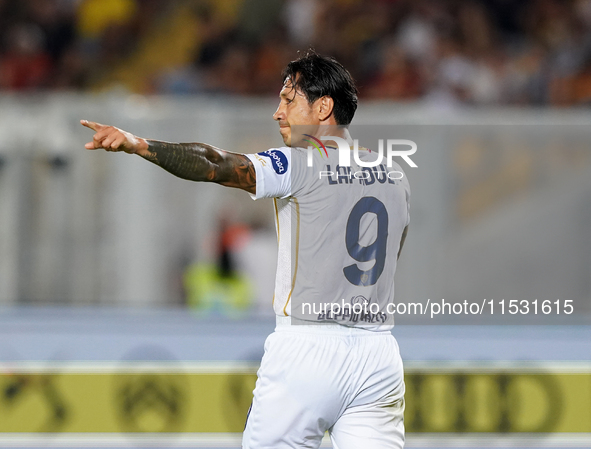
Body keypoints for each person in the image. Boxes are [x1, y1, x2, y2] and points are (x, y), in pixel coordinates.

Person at [81, 51, 410, 449]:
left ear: (324, 107)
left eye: (289, 99)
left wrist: (140, 144)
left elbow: (216, 163)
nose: (277, 112)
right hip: (378, 357)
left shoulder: (300, 163)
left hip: (307, 350)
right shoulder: (394, 174)